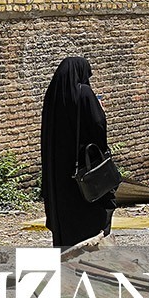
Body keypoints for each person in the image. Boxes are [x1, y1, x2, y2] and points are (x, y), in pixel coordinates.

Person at [41, 57, 115, 247]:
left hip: (58, 173)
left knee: (65, 217)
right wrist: (100, 110)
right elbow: (98, 126)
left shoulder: (52, 96)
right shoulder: (84, 93)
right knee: (91, 214)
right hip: (83, 169)